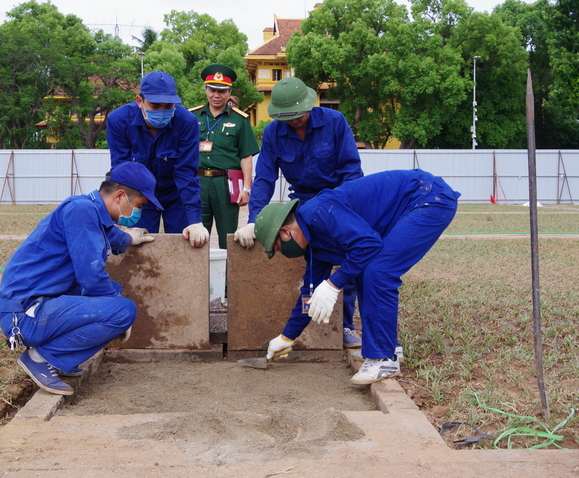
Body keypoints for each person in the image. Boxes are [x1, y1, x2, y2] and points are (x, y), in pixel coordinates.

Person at [254, 169, 460, 385]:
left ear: (285, 232)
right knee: (366, 269)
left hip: (427, 198)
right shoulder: (314, 246)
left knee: (378, 271)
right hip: (412, 204)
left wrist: (334, 284)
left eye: (277, 247)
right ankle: (389, 348)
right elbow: (311, 293)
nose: (281, 252)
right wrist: (286, 337)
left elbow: (368, 245)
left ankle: (384, 359)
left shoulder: (320, 212)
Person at [0, 161, 162, 396]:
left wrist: (129, 239)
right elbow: (91, 275)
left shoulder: (90, 211)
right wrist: (118, 314)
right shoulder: (81, 211)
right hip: (25, 314)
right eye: (138, 205)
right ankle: (40, 358)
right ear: (120, 196)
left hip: (36, 303)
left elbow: (110, 235)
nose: (138, 213)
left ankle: (55, 357)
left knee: (114, 294)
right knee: (122, 310)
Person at [233, 76, 363, 348]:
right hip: (302, 205)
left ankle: (347, 325)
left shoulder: (334, 122)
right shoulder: (272, 134)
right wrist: (254, 220)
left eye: (298, 115)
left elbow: (352, 171)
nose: (294, 121)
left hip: (339, 200)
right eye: (287, 117)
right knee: (313, 264)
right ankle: (307, 325)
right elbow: (266, 178)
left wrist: (344, 209)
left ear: (308, 104)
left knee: (351, 260)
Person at [106, 70, 209, 248]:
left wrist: (194, 220)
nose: (162, 111)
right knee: (137, 247)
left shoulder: (187, 122)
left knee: (183, 247)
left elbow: (186, 172)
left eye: (168, 106)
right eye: (155, 106)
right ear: (140, 101)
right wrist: (114, 217)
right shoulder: (118, 121)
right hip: (139, 195)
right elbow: (121, 172)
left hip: (176, 194)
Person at [189, 64, 259, 249]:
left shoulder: (240, 120)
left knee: (228, 237)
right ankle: (199, 278)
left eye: (222, 91)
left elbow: (246, 157)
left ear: (229, 92)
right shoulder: (191, 117)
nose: (216, 95)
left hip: (226, 184)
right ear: (206, 90)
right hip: (198, 182)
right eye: (212, 90)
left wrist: (246, 189)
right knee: (196, 236)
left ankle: (228, 277)